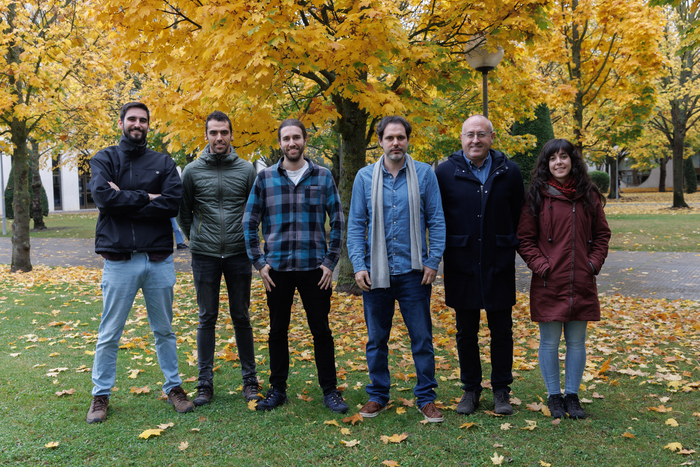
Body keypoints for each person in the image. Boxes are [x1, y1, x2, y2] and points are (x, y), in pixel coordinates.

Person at [86, 102, 193, 423]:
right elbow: (104, 197)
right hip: (119, 262)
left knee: (165, 331)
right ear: (121, 122)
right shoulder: (104, 158)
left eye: (143, 120)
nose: (137, 124)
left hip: (158, 260)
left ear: (149, 125)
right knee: (109, 333)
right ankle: (100, 396)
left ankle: (174, 387)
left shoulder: (163, 162)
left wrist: (127, 198)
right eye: (132, 119)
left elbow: (172, 204)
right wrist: (149, 197)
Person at [243, 119, 348, 414]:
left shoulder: (323, 176)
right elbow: (249, 222)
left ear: (304, 140)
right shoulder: (264, 178)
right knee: (278, 331)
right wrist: (260, 264)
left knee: (322, 331)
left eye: (297, 137)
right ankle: (277, 389)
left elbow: (338, 221)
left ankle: (330, 391)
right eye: (286, 138)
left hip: (315, 269)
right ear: (280, 143)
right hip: (276, 270)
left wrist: (330, 262)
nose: (292, 143)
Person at [347, 116, 446, 423]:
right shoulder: (364, 177)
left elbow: (437, 220)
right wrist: (358, 265)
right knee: (376, 339)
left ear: (407, 140)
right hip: (375, 274)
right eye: (389, 138)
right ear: (380, 141)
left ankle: (426, 397)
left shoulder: (424, 174)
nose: (395, 143)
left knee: (422, 339)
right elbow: (355, 226)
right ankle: (378, 395)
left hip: (414, 273)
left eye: (401, 137)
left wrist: (433, 260)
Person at [435, 115, 524, 416]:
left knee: (502, 330)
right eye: (470, 135)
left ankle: (501, 390)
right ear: (461, 138)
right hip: (462, 261)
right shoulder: (445, 171)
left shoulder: (509, 171)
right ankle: (470, 389)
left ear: (492, 137)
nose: (475, 140)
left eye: (481, 135)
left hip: (499, 261)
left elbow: (519, 214)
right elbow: (437, 216)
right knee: (465, 331)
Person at [517, 139, 610, 419]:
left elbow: (602, 235)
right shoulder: (536, 195)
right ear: (546, 164)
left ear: (573, 160)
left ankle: (572, 395)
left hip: (581, 279)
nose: (559, 162)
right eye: (553, 158)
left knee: (576, 341)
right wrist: (541, 266)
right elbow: (524, 238)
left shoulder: (588, 195)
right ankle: (554, 396)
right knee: (549, 342)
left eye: (564, 157)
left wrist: (592, 264)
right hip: (549, 281)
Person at [178, 111, 260, 406]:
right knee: (206, 318)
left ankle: (250, 381)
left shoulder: (247, 170)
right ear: (206, 136)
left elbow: (255, 211)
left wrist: (250, 242)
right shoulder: (191, 171)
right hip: (204, 256)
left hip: (239, 254)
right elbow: (183, 213)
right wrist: (196, 238)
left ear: (232, 135)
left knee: (241, 316)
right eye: (213, 133)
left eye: (224, 132)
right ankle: (204, 383)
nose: (219, 138)